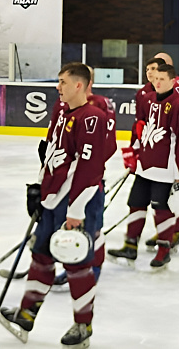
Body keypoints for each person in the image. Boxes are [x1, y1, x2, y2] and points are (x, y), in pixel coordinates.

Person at [0, 63, 107, 348]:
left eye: (62, 82)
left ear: (79, 86)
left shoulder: (93, 118)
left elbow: (89, 168)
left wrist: (75, 211)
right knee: (42, 256)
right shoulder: (61, 112)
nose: (57, 87)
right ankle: (26, 315)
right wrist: (40, 189)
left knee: (76, 263)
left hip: (78, 202)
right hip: (55, 198)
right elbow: (52, 156)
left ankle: (83, 325)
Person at [108, 64, 179, 268]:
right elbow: (140, 127)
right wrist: (134, 154)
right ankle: (130, 246)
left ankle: (164, 249)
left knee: (162, 209)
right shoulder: (147, 99)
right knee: (135, 203)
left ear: (173, 81)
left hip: (165, 170)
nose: (158, 82)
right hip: (144, 166)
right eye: (156, 79)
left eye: (162, 79)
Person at [50, 66, 117, 288]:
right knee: (68, 228)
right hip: (65, 183)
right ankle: (71, 268)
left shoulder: (101, 105)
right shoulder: (63, 106)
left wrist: (91, 165)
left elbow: (108, 145)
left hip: (91, 180)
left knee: (92, 228)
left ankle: (93, 269)